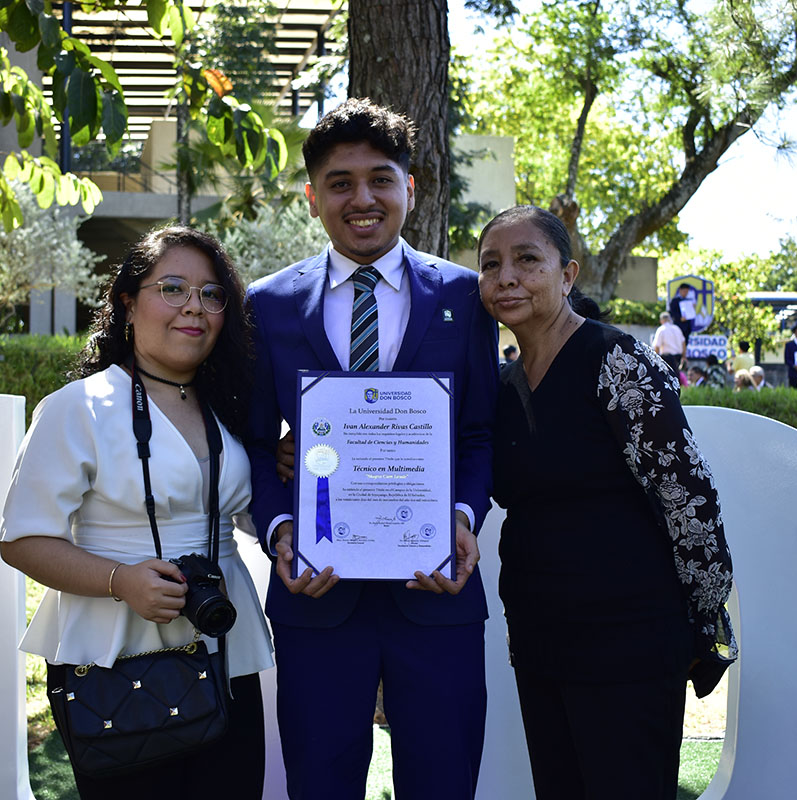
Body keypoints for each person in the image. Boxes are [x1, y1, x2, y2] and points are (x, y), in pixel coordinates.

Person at [244, 98, 498, 800]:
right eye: (340, 182)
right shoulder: (265, 306)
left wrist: (464, 519)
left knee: (443, 782)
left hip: (437, 587)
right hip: (316, 592)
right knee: (320, 783)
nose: (363, 199)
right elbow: (258, 444)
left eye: (381, 179)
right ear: (312, 196)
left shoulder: (466, 297)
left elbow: (478, 433)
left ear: (409, 189)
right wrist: (280, 530)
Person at [0, 227, 272, 799]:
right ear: (127, 301)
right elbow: (21, 540)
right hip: (113, 654)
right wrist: (120, 581)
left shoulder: (229, 407)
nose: (193, 307)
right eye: (172, 288)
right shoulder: (77, 408)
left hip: (223, 644)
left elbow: (247, 513)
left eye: (211, 294)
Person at [476, 205, 735, 800]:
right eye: (491, 265)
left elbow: (688, 499)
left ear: (567, 275)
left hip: (630, 641)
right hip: (540, 637)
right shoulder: (499, 384)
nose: (507, 277)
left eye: (527, 260)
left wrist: (704, 618)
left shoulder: (617, 361)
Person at [668, 282, 696, 352]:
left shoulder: (689, 301)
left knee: (684, 344)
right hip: (678, 326)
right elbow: (672, 312)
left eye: (687, 291)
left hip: (686, 328)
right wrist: (679, 318)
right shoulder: (675, 301)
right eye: (684, 291)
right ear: (680, 290)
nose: (685, 293)